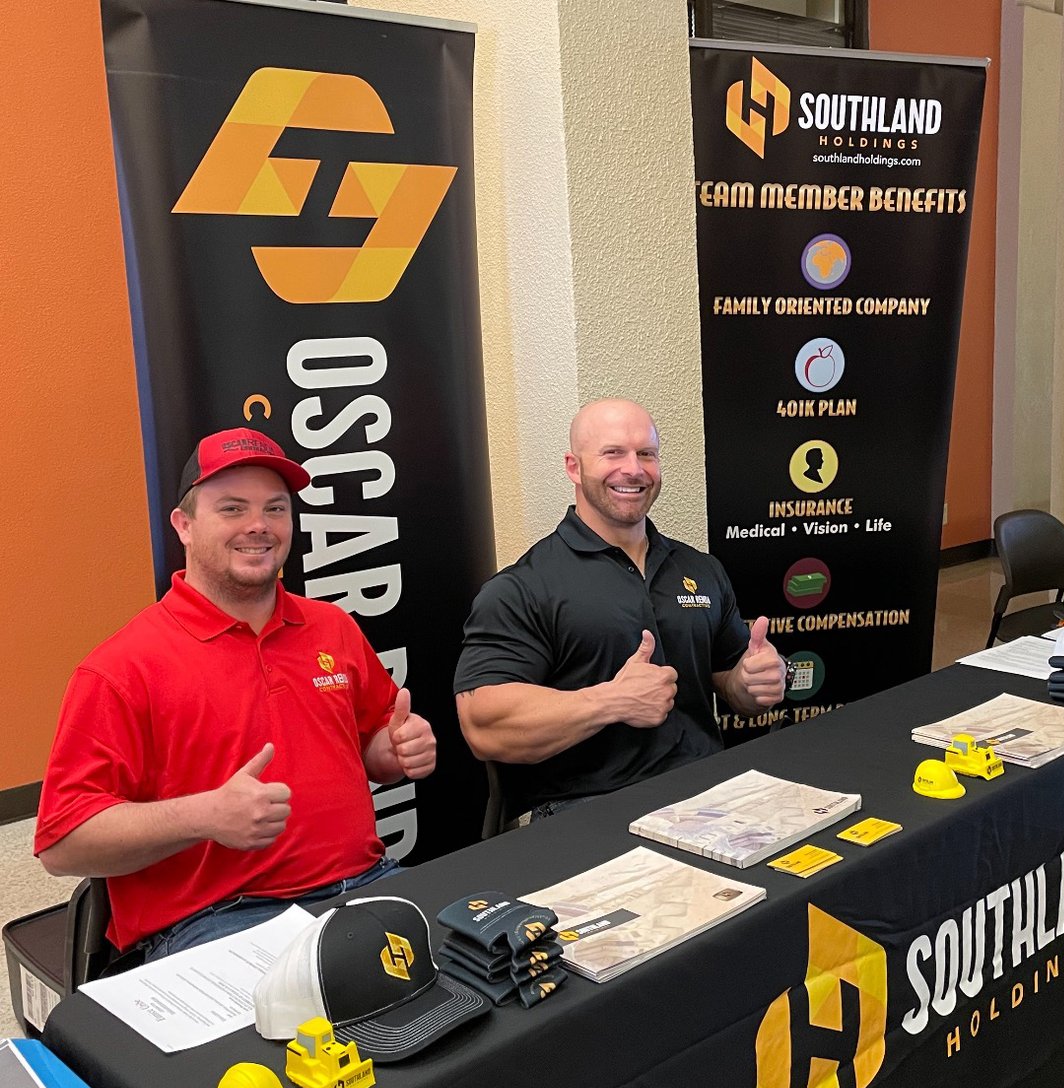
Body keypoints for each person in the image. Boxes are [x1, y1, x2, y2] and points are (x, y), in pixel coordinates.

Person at [35, 429, 436, 959]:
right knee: (308, 1035)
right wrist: (205, 816)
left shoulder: (332, 627)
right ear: (184, 525)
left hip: (364, 885)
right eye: (231, 508)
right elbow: (62, 844)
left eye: (275, 508)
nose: (258, 526)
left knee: (488, 980)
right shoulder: (120, 668)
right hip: (216, 919)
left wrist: (391, 752)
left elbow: (372, 749)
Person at [454, 398, 784, 818]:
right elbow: (484, 725)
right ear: (573, 467)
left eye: (646, 454)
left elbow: (733, 685)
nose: (633, 469)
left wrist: (752, 682)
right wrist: (611, 701)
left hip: (709, 795)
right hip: (590, 813)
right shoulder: (524, 587)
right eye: (613, 453)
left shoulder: (700, 569)